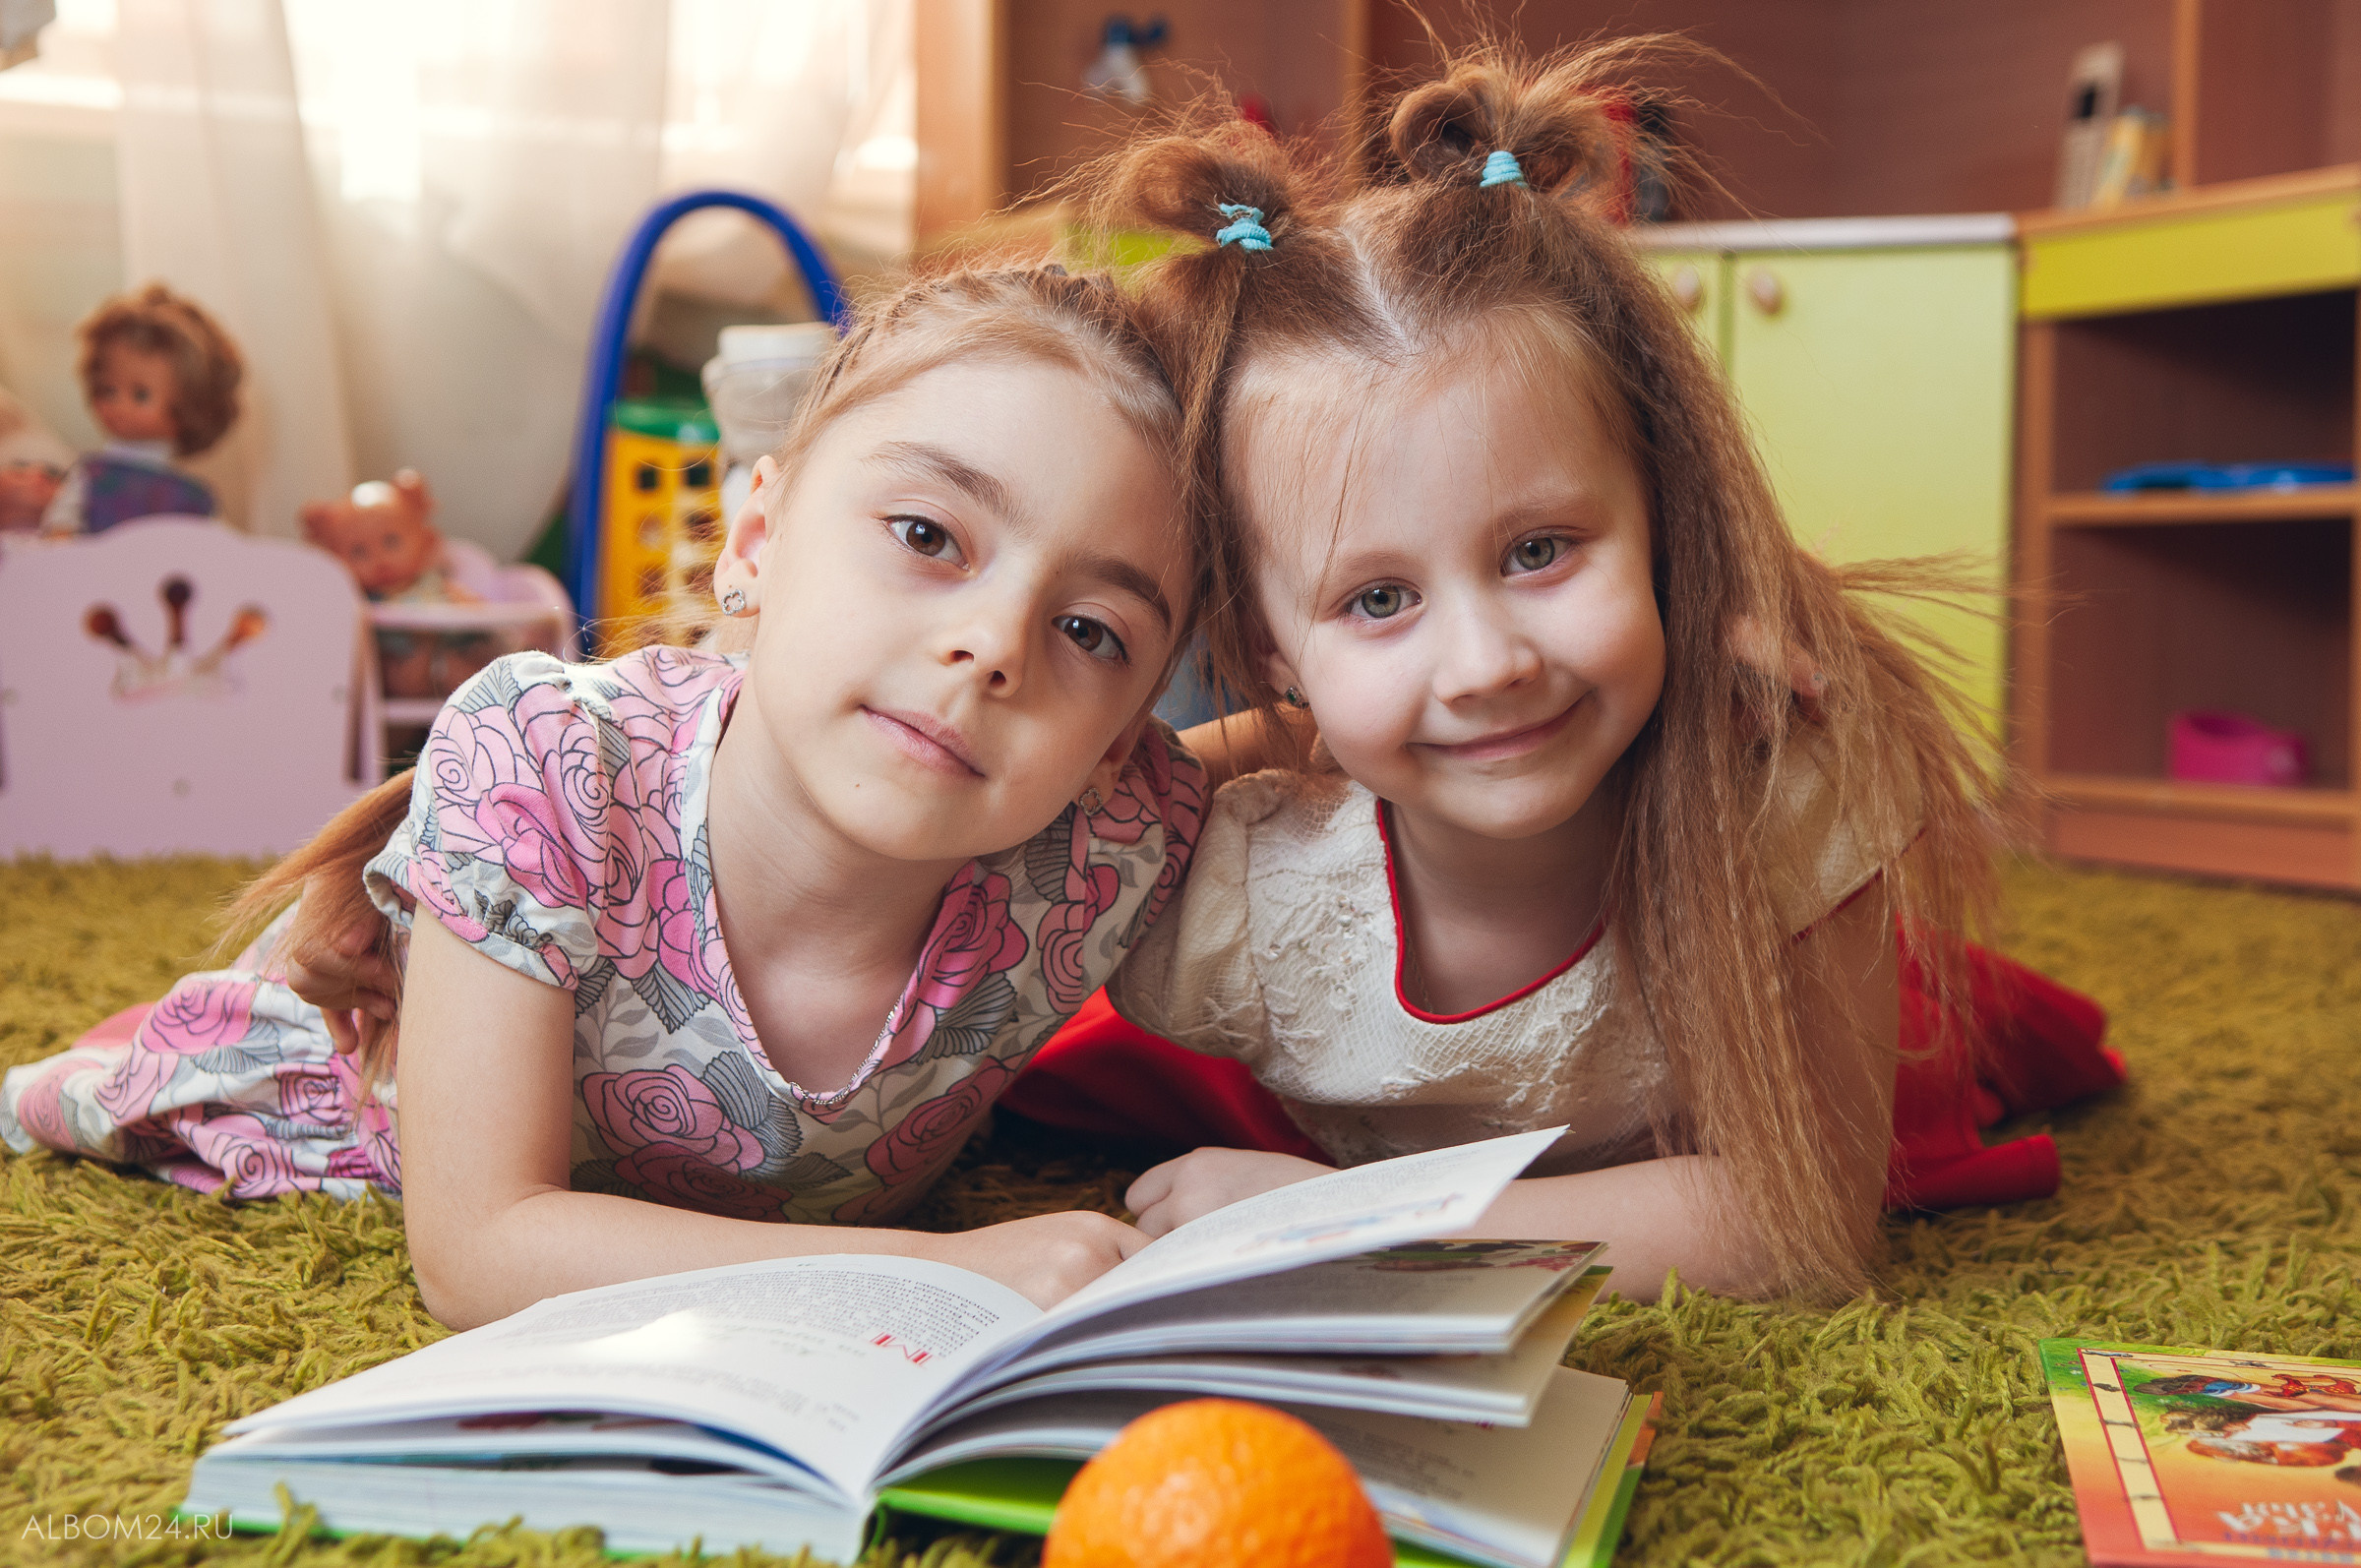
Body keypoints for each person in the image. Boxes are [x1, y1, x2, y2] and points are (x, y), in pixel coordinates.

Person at [1003, 43, 2124, 1302]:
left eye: (1540, 551)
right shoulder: (1226, 885)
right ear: (1273, 652)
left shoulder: (1781, 796)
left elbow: (1794, 1226)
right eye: (1378, 599)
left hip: (1794, 1012)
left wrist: (1352, 1218)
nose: (1486, 665)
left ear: (1660, 521)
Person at [0, 265, 1216, 1328]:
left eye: (1089, 630)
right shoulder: (545, 754)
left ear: (1119, 739)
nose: (995, 645)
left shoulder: (1108, 834)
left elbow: (1302, 745)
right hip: (327, 1093)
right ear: (754, 541)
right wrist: (946, 1272)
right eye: (926, 534)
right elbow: (477, 1251)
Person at [41, 282, 241, 534]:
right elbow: (62, 522)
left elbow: (218, 544)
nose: (119, 406)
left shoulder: (190, 497)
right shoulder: (92, 477)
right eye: (107, 390)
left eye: (140, 395)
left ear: (191, 406)